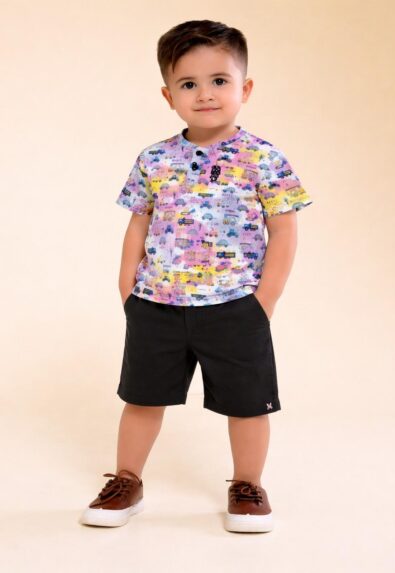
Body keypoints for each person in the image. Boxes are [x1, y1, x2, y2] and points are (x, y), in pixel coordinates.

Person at [79, 19, 313, 533]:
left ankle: (247, 485)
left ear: (245, 88)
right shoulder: (155, 158)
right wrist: (128, 290)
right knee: (141, 399)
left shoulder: (263, 158)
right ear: (169, 96)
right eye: (188, 83)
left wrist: (264, 301)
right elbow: (138, 225)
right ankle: (127, 481)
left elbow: (284, 229)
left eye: (219, 81)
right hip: (156, 303)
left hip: (235, 306)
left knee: (248, 404)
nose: (204, 94)